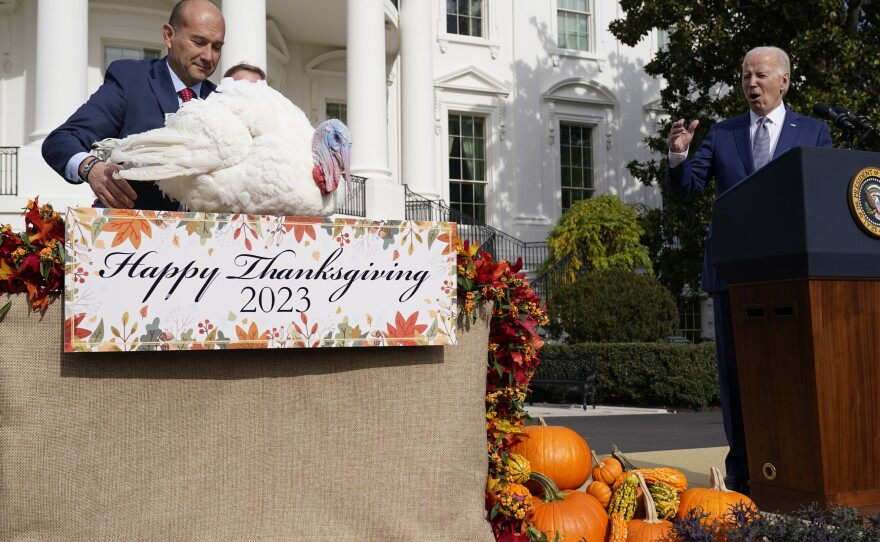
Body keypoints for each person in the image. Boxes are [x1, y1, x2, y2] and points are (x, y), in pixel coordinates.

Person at [666, 46, 833, 494]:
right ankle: (742, 469)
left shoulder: (815, 133)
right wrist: (679, 155)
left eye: (760, 75)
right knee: (738, 378)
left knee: (795, 372)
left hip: (794, 275)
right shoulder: (723, 134)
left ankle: (802, 465)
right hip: (732, 277)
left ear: (784, 80)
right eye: (745, 77)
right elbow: (687, 189)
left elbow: (821, 199)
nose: (751, 83)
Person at [41, 0, 225, 211]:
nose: (208, 56)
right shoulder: (130, 81)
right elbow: (61, 140)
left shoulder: (224, 101)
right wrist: (91, 168)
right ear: (168, 35)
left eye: (217, 47)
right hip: (132, 236)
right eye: (199, 42)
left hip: (205, 240)